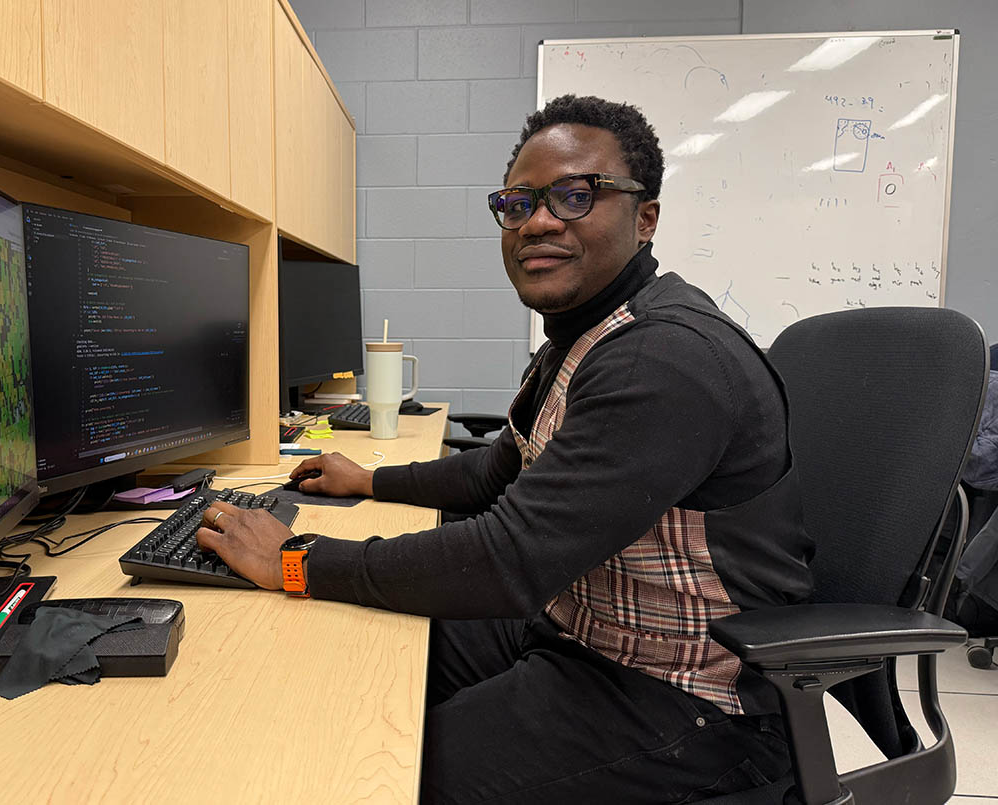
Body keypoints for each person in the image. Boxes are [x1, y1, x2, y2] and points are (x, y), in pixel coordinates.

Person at [196, 94, 814, 803]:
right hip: (575, 627)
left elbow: (507, 558)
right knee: (347, 664)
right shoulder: (584, 336)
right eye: (518, 203)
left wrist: (296, 561)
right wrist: (369, 480)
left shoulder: (665, 360)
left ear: (645, 219)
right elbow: (496, 471)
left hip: (685, 695)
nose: (539, 221)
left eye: (576, 196)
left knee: (385, 773)